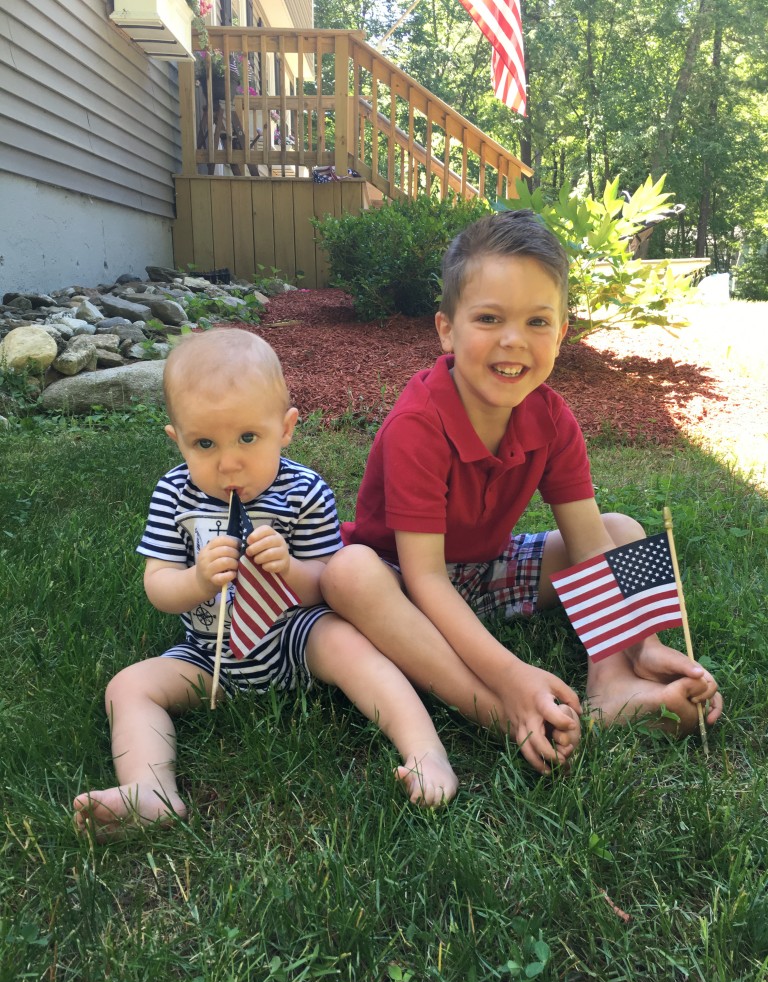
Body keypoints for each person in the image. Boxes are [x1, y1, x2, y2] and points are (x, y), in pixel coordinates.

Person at [320, 210, 723, 775]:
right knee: (348, 573)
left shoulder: (553, 418)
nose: (513, 341)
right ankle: (499, 712)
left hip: (488, 571)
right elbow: (426, 577)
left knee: (621, 530)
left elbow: (586, 545)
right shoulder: (420, 422)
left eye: (537, 322)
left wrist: (644, 640)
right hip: (405, 587)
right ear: (446, 329)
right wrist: (511, 675)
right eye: (489, 318)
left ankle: (610, 681)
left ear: (560, 334)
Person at [73, 330, 457, 837]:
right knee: (129, 686)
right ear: (177, 439)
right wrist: (197, 579)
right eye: (204, 443)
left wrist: (289, 570)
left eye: (248, 438)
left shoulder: (303, 491)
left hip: (296, 640)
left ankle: (425, 751)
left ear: (286, 428)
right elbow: (158, 586)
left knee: (351, 645)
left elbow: (327, 583)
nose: (228, 462)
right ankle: (151, 790)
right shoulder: (174, 494)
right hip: (211, 654)